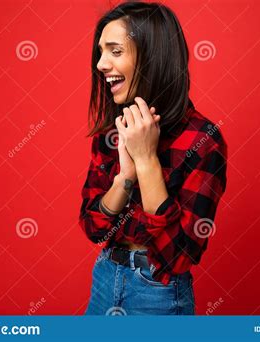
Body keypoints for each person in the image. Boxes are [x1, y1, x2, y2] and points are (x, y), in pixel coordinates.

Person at [79, 2, 227, 315]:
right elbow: (93, 228)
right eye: (100, 52)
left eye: (115, 51)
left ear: (152, 58)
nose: (101, 64)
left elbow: (179, 257)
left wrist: (147, 160)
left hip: (158, 292)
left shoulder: (203, 140)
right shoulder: (113, 130)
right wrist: (125, 176)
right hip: (106, 278)